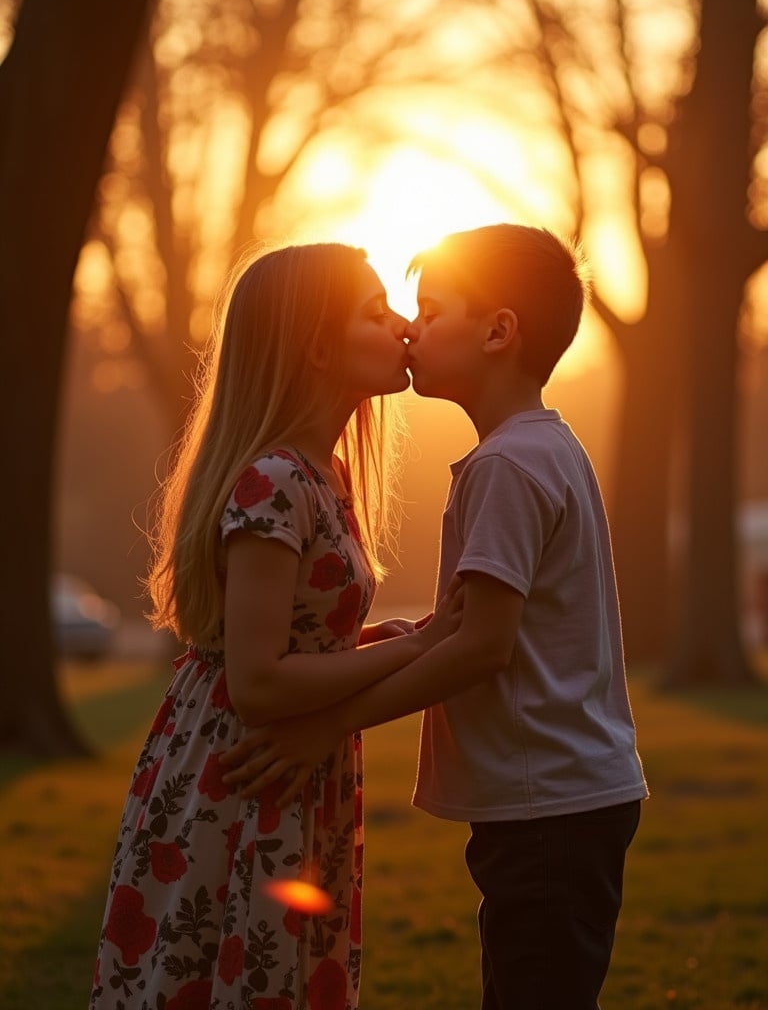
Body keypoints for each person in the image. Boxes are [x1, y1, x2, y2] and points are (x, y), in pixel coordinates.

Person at [221, 224, 650, 1010]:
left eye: (431, 307)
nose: (411, 327)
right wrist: (410, 639)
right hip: (563, 797)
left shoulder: (506, 467)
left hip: (548, 800)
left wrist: (333, 723)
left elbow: (481, 647)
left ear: (498, 331)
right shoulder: (543, 449)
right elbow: (460, 633)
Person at [88, 242, 460, 1010]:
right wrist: (418, 649)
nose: (400, 326)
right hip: (245, 769)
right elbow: (257, 683)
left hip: (285, 764)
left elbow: (294, 647)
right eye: (374, 311)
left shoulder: (323, 473)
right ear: (318, 344)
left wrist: (383, 645)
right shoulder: (276, 478)